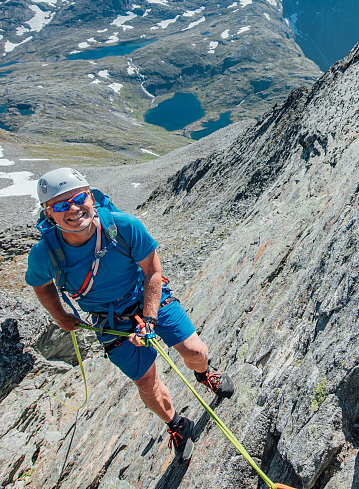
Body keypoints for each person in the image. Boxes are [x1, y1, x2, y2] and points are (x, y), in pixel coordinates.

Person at [25, 167, 234, 461]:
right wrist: (60, 316)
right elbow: (41, 285)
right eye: (60, 205)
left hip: (146, 298)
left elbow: (152, 271)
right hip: (109, 322)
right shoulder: (44, 254)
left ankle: (204, 373)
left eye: (78, 197)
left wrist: (148, 320)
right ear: (49, 213)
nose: (73, 209)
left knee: (194, 350)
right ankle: (176, 424)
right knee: (146, 382)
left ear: (90, 197)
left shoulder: (123, 226)